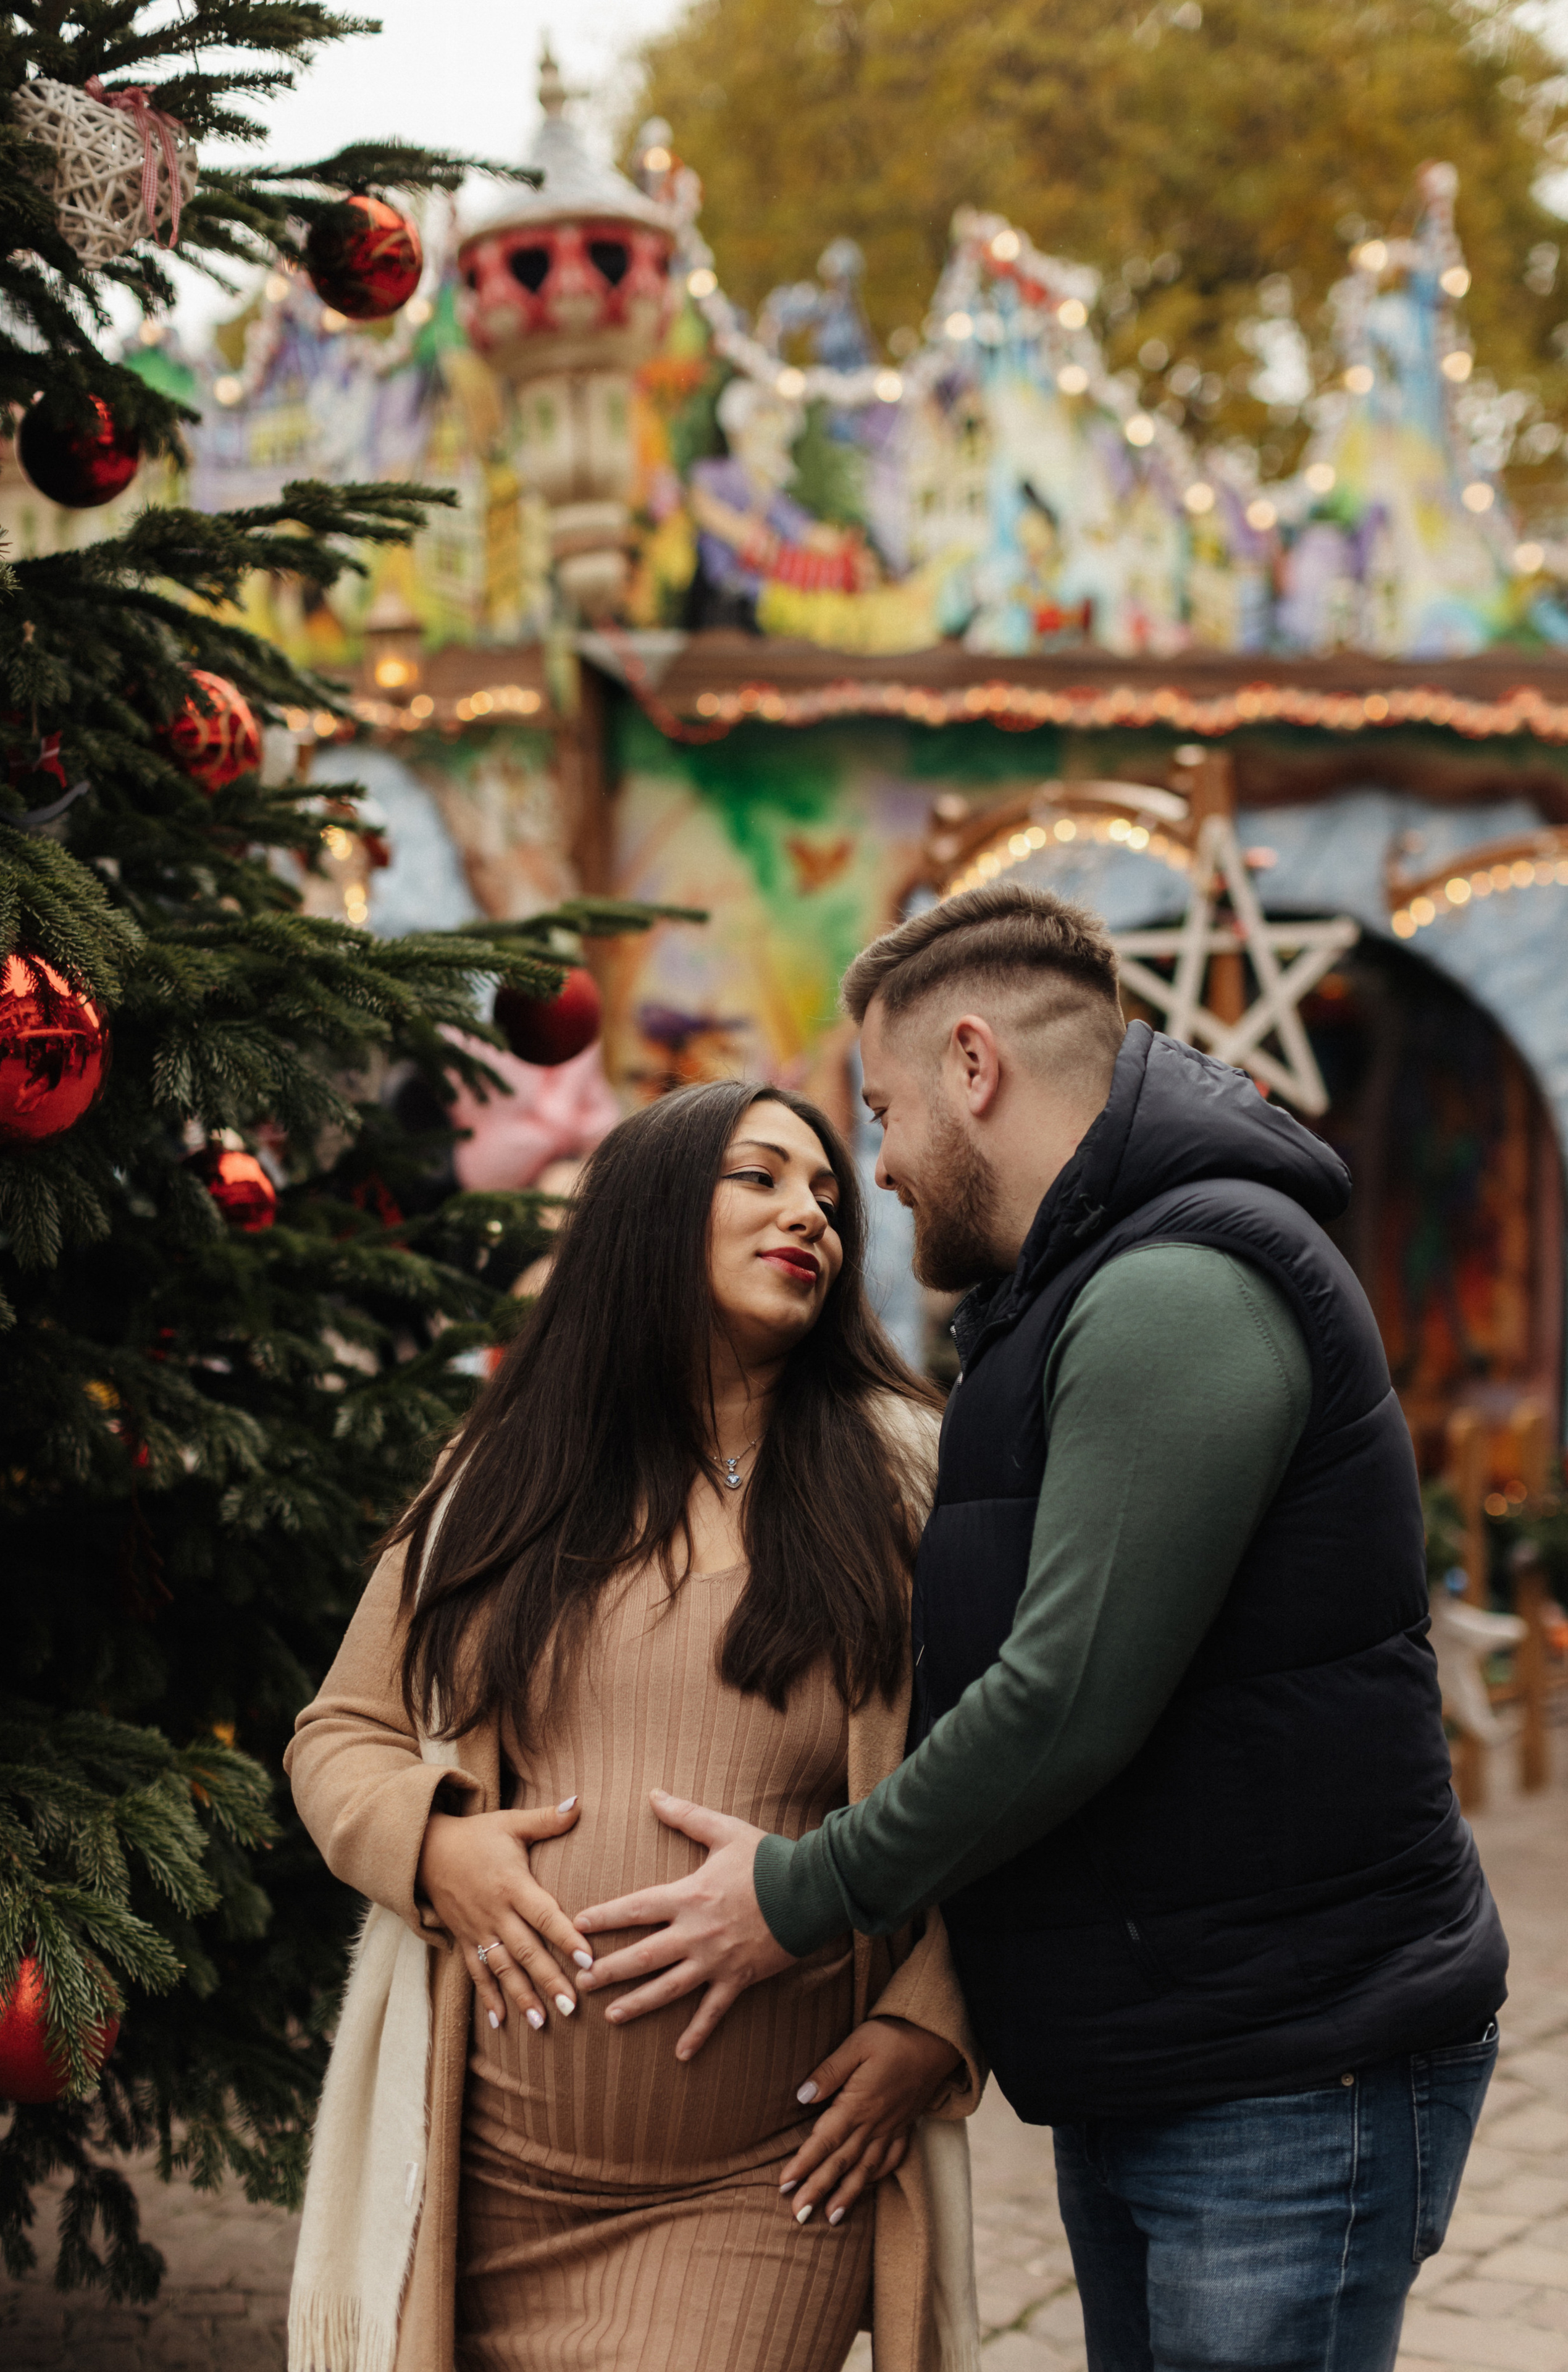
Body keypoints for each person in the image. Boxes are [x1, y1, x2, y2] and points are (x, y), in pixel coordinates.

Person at [570, 885, 1510, 2372]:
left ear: (971, 1064)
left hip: (1285, 2073)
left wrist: (799, 1894)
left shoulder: (1172, 1291)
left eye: (879, 1114)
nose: (872, 1172)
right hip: (1181, 2048)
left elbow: (1060, 1699)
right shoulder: (1064, 1294)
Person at [284, 1080, 984, 2372]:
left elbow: (1003, 1776)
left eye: (829, 1194)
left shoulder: (906, 1482)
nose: (809, 1216)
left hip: (765, 2181)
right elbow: (340, 1732)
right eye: (760, 1178)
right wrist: (435, 1849)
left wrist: (932, 2022)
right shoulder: (503, 1476)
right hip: (483, 2179)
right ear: (648, 1213)